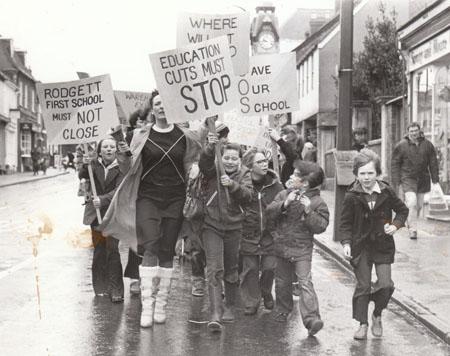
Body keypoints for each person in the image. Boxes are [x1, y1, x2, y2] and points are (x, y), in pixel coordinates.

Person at [100, 89, 202, 328]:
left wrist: (195, 167)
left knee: (167, 250)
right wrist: (121, 146)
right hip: (147, 198)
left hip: (175, 198)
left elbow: (191, 161)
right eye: (157, 104)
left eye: (166, 103)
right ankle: (147, 307)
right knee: (150, 246)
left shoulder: (185, 135)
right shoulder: (140, 134)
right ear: (152, 108)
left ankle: (162, 305)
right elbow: (127, 166)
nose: (162, 107)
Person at [338, 149, 409, 340]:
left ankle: (377, 314)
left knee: (385, 285)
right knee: (363, 286)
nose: (366, 177)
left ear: (377, 173)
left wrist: (395, 226)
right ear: (356, 174)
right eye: (362, 173)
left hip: (382, 246)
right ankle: (362, 324)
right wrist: (346, 243)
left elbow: (402, 211)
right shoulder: (351, 195)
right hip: (360, 247)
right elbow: (344, 224)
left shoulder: (386, 191)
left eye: (370, 173)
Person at [266, 160, 329, 336]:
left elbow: (321, 226)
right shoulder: (283, 194)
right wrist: (284, 204)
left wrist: (308, 211)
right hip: (282, 246)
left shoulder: (317, 202)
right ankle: (282, 309)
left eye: (295, 175)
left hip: (302, 249)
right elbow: (270, 213)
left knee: (305, 282)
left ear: (305, 183)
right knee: (282, 281)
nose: (291, 177)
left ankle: (311, 319)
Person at [198, 136, 252, 332]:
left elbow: (248, 196)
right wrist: (210, 147)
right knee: (214, 268)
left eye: (234, 158)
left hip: (234, 227)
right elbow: (204, 163)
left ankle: (230, 305)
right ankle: (215, 312)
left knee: (231, 269)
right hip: (211, 225)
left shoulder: (245, 174)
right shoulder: (214, 169)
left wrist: (232, 185)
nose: (229, 161)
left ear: (240, 160)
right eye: (226, 157)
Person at [79, 138, 124, 303]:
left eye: (112, 146)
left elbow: (120, 190)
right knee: (99, 250)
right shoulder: (92, 165)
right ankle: (100, 287)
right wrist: (85, 164)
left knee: (112, 249)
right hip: (95, 216)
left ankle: (116, 290)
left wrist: (103, 200)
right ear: (100, 150)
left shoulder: (121, 167)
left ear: (116, 150)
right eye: (105, 146)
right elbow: (82, 175)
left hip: (113, 215)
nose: (109, 149)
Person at [239, 148, 283, 315]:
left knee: (269, 267)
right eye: (260, 162)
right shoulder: (243, 185)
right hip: (249, 232)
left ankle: (265, 291)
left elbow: (283, 206)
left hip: (270, 234)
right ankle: (252, 301)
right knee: (250, 269)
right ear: (250, 166)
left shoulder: (275, 184)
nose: (265, 164)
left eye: (265, 161)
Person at [391, 122, 439, 239]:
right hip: (408, 177)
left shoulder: (428, 145)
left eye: (415, 131)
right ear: (408, 132)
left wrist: (435, 179)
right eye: (411, 131)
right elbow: (395, 163)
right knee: (411, 201)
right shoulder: (401, 145)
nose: (413, 133)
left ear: (419, 131)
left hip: (423, 178)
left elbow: (433, 162)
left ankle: (409, 219)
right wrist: (396, 181)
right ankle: (412, 228)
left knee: (419, 205)